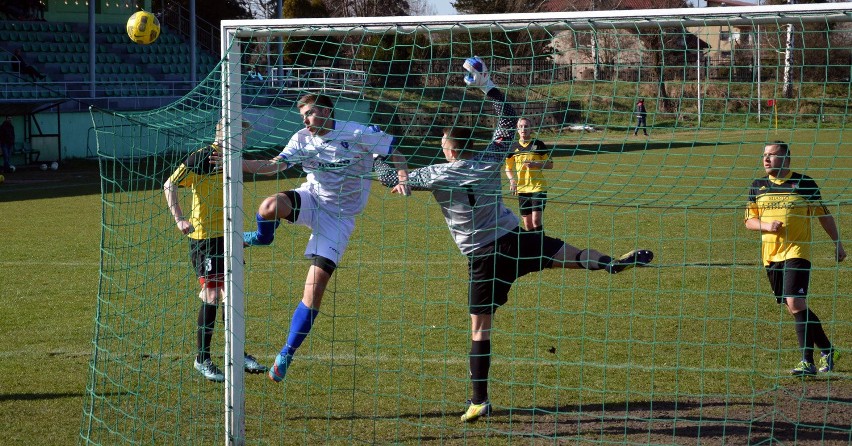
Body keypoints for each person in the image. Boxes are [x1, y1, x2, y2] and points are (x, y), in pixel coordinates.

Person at [377, 57, 654, 422]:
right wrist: (486, 84)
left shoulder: (435, 174)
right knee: (567, 253)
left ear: (448, 148)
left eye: (444, 141)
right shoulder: (491, 158)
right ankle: (610, 264)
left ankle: (479, 400)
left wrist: (379, 155)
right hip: (514, 240)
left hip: (483, 258)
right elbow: (507, 121)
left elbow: (388, 180)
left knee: (479, 329)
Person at [239, 93, 411, 383]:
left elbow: (395, 151)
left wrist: (403, 178)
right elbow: (275, 165)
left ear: (327, 111)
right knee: (269, 206)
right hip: (312, 198)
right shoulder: (301, 138)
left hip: (339, 219)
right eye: (302, 115)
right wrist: (238, 163)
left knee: (314, 290)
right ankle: (261, 236)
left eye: (309, 113)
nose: (305, 120)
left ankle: (287, 352)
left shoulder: (356, 132)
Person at [163, 120, 268, 382]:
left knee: (232, 294)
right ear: (225, 134)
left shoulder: (234, 159)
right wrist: (179, 219)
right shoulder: (203, 157)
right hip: (205, 239)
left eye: (245, 136)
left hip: (228, 237)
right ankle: (202, 358)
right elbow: (169, 184)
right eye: (242, 135)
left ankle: (237, 353)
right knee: (212, 294)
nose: (244, 140)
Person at [744, 141, 846, 376]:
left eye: (772, 155)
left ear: (787, 159)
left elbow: (824, 215)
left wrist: (837, 243)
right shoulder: (758, 186)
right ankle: (829, 350)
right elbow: (749, 221)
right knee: (794, 307)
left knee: (795, 302)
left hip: (797, 252)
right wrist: (767, 225)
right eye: (764, 155)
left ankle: (806, 362)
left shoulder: (804, 183)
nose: (766, 159)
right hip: (770, 256)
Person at [504, 117, 553, 232]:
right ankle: (533, 248)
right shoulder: (513, 147)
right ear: (517, 129)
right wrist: (512, 180)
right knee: (527, 224)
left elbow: (550, 164)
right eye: (520, 126)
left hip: (538, 187)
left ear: (531, 129)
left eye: (526, 126)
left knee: (536, 221)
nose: (523, 129)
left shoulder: (538, 144)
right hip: (522, 189)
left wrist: (536, 164)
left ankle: (542, 247)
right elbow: (508, 168)